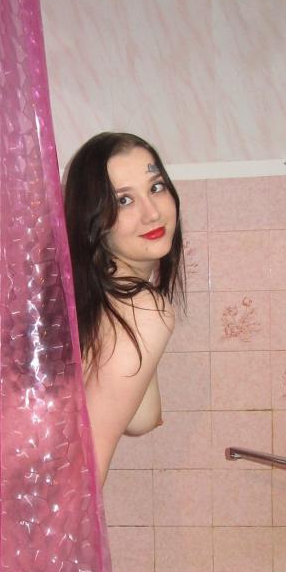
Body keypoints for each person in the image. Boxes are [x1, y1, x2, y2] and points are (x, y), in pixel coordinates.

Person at [64, 132, 186, 486]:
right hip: (0, 499)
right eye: (124, 200)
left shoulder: (101, 296)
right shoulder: (141, 309)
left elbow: (139, 417)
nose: (152, 213)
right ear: (94, 220)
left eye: (156, 187)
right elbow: (84, 473)